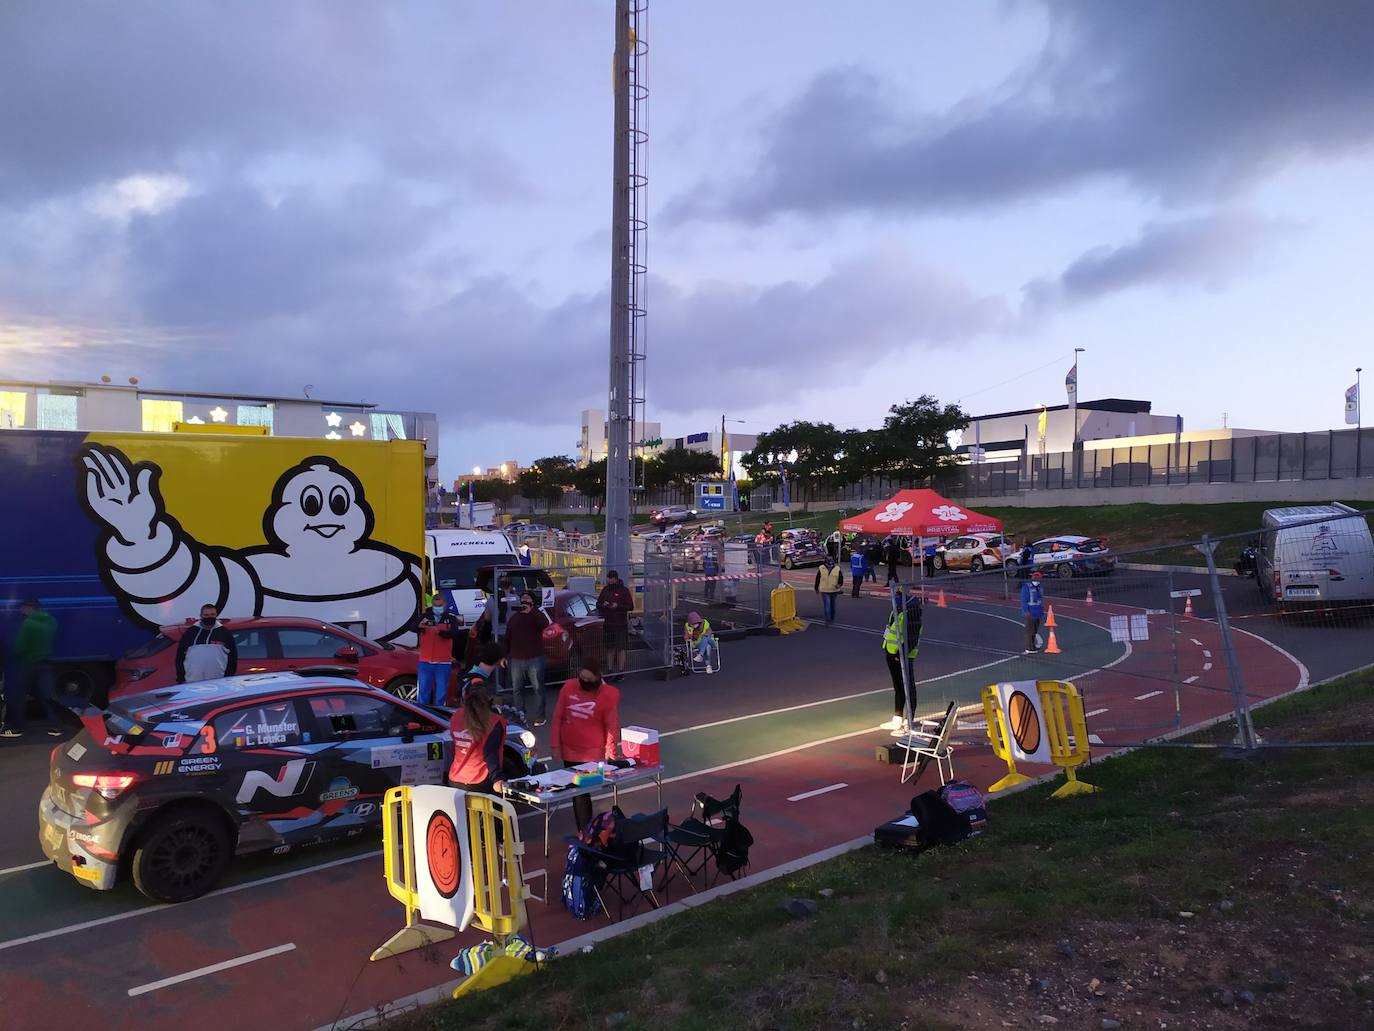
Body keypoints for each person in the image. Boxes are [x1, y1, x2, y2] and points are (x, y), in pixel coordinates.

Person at [550, 658, 621, 831]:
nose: (585, 682)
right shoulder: (568, 688)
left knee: (581, 792)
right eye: (582, 678)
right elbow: (557, 717)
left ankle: (586, 831)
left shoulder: (607, 695)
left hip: (592, 753)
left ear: (598, 678)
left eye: (589, 680)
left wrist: (610, 751)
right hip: (569, 750)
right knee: (578, 794)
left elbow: (611, 725)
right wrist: (555, 746)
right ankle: (584, 830)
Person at [2, 599, 60, 739]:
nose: (22, 611)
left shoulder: (29, 623)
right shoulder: (51, 621)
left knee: (18, 696)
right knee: (46, 696)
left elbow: (21, 646)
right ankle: (55, 726)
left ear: (30, 608)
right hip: (45, 663)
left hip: (26, 664)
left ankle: (16, 728)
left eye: (23, 608)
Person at [447, 682, 506, 796]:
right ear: (490, 701)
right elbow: (490, 754)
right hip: (479, 780)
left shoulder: (456, 716)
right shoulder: (494, 721)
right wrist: (497, 778)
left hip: (456, 778)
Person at [503, 591, 552, 724]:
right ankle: (520, 714)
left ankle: (540, 716)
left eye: (527, 599)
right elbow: (508, 637)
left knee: (538, 688)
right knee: (517, 689)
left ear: (532, 602)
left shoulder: (536, 614)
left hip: (534, 658)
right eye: (522, 598)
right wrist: (504, 655)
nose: (524, 601)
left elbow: (544, 623)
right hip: (517, 659)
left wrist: (532, 611)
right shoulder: (514, 617)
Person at [881, 594, 923, 737]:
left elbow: (912, 638)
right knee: (898, 686)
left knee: (908, 687)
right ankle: (898, 718)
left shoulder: (912, 614)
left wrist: (901, 654)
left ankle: (909, 722)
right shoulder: (897, 610)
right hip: (891, 653)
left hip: (903, 656)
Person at [416, 597, 461, 706]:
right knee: (423, 692)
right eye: (435, 606)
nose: (437, 608)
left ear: (445, 605)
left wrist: (439, 632)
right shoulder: (425, 617)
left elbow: (454, 633)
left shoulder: (451, 619)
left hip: (443, 662)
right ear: (432, 604)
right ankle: (422, 715)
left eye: (440, 606)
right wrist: (420, 626)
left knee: (441, 693)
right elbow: (411, 627)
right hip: (425, 661)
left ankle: (438, 716)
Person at [596, 569, 635, 679]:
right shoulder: (605, 590)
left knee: (620, 648)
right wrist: (603, 605)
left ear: (615, 579)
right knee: (610, 648)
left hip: (620, 624)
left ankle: (621, 671)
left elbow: (630, 606)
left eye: (611, 579)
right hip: (609, 624)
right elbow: (598, 604)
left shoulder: (624, 591)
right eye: (608, 579)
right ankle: (609, 670)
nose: (609, 581)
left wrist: (617, 606)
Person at [813, 555, 844, 626]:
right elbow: (817, 579)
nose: (830, 561)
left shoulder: (837, 568)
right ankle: (827, 621)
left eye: (831, 559)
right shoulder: (821, 568)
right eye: (828, 559)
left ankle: (832, 619)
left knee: (833, 606)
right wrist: (816, 588)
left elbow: (841, 579)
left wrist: (839, 585)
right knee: (827, 606)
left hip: (834, 590)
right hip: (824, 590)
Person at [1021, 571, 1046, 654]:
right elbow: (1024, 600)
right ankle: (1029, 647)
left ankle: (1032, 646)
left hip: (1037, 612)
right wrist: (1026, 611)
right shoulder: (1027, 587)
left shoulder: (1039, 588)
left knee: (1034, 631)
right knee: (1029, 631)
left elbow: (1041, 600)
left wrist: (1041, 611)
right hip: (1030, 612)